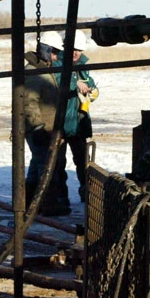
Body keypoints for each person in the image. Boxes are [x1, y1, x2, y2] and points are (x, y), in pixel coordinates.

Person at [24, 31, 71, 216]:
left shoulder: (43, 70)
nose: (56, 56)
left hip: (45, 129)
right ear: (45, 50)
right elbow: (29, 102)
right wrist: (38, 128)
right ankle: (47, 204)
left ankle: (30, 203)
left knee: (38, 165)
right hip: (39, 129)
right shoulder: (35, 73)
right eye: (54, 52)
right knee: (46, 166)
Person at [62, 30, 98, 202]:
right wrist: (74, 83)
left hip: (78, 122)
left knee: (83, 162)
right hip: (60, 122)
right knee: (55, 164)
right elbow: (56, 81)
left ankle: (87, 195)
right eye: (73, 49)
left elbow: (90, 84)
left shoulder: (83, 66)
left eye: (79, 49)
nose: (76, 53)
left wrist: (93, 91)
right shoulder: (57, 64)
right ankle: (58, 199)